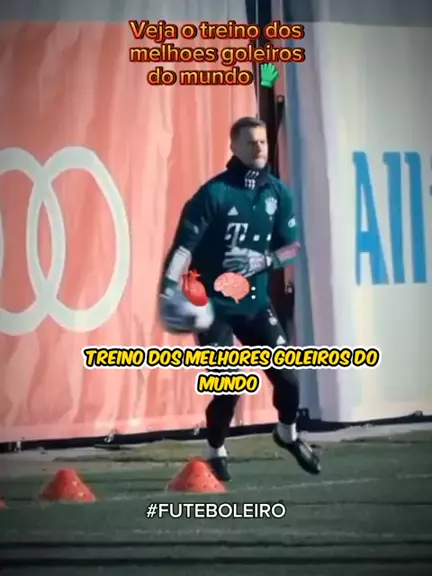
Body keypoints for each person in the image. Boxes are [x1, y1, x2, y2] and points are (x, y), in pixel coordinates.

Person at [158, 116, 321, 481]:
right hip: (213, 308)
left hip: (254, 305)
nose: (258, 148)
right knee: (229, 385)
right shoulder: (213, 194)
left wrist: (264, 260)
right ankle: (215, 448)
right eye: (250, 142)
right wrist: (167, 287)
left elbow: (293, 248)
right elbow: (183, 247)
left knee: (289, 380)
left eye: (262, 141)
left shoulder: (278, 194)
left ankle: (287, 434)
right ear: (233, 147)